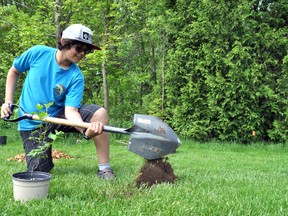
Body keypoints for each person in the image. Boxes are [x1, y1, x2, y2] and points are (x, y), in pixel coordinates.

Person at [0, 24, 114, 180]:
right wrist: (8, 102)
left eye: (87, 50)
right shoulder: (38, 53)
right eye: (79, 47)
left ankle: (104, 169)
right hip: (31, 120)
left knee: (99, 113)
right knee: (39, 172)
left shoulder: (76, 76)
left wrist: (86, 131)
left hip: (58, 116)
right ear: (64, 41)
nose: (82, 53)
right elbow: (14, 71)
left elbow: (71, 111)